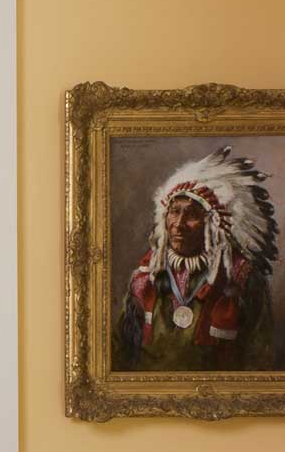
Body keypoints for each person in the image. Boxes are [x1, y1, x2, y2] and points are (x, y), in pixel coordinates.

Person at [116, 145, 278, 371]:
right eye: (174, 211)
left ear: (214, 225)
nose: (179, 224)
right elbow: (121, 350)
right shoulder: (146, 276)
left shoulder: (242, 278)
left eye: (192, 214)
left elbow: (260, 358)